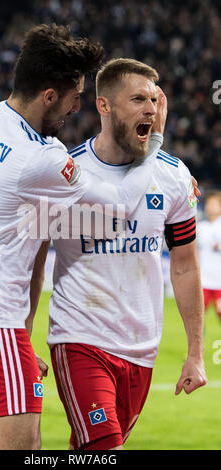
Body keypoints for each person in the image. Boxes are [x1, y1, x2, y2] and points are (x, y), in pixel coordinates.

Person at [0, 25, 167, 451]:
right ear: (49, 95)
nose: (78, 108)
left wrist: (22, 334)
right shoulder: (42, 160)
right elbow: (123, 204)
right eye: (75, 96)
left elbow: (36, 239)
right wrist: (156, 138)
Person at [44, 58, 207, 450]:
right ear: (104, 106)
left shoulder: (173, 176)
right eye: (138, 99)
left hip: (141, 350)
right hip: (79, 338)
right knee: (105, 447)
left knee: (89, 450)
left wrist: (196, 353)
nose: (151, 108)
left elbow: (184, 266)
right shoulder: (65, 172)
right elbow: (31, 260)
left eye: (154, 98)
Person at [197, 191, 221, 321]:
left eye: (213, 204)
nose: (209, 207)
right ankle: (198, 342)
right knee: (198, 317)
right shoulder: (200, 227)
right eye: (208, 204)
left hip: (219, 281)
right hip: (203, 281)